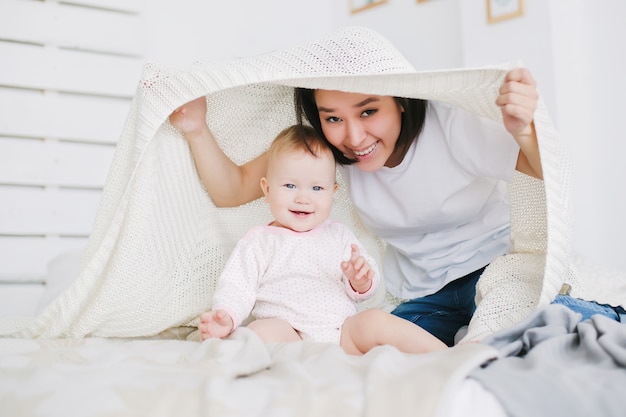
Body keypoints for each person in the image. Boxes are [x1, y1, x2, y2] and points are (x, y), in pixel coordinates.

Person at [169, 64, 542, 347]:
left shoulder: (450, 125)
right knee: (395, 353)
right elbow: (231, 190)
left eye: (367, 112)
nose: (353, 136)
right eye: (333, 118)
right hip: (424, 296)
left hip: (494, 272)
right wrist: (196, 128)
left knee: (515, 342)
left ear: (400, 98)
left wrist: (524, 130)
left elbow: (542, 170)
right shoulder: (330, 155)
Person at [195, 125, 446, 355]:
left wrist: (361, 280)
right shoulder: (260, 242)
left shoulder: (338, 235)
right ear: (267, 189)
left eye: (317, 189)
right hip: (291, 335)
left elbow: (364, 288)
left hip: (342, 334)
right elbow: (237, 285)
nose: (304, 198)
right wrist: (226, 315)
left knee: (374, 320)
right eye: (290, 186)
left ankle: (443, 353)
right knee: (260, 332)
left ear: (332, 193)